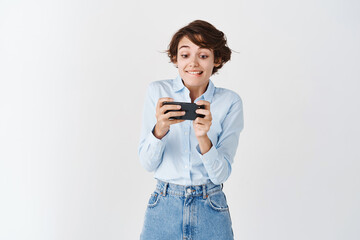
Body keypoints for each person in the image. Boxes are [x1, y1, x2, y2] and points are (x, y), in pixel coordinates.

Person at [138, 20, 244, 240]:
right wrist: (160, 129)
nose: (193, 63)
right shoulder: (158, 92)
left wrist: (203, 137)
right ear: (175, 59)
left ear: (218, 59)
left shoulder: (230, 101)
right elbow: (147, 163)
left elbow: (221, 174)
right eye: (185, 55)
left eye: (203, 55)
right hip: (164, 206)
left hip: (211, 206)